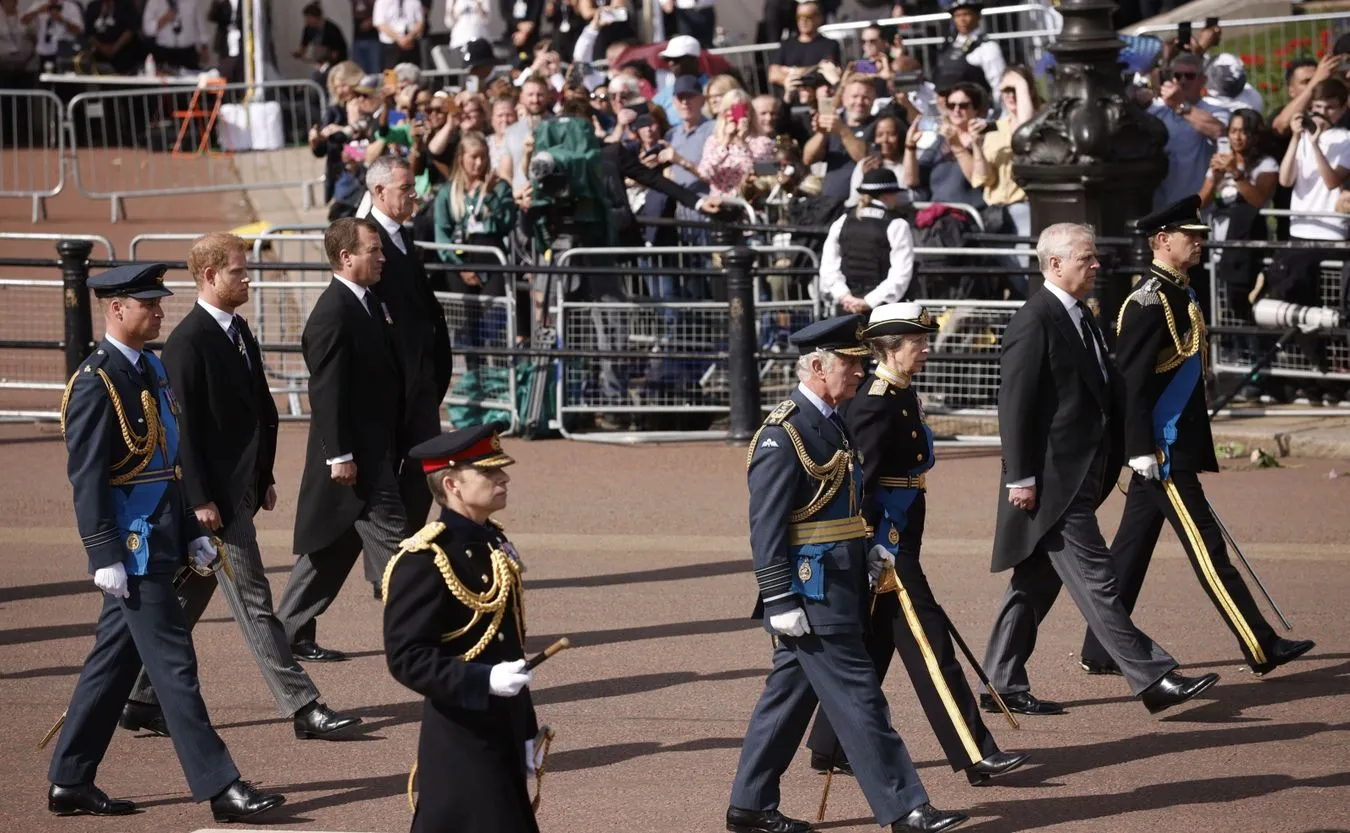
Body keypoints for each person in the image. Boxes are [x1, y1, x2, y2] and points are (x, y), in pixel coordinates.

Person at [47, 263, 285, 823]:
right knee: (176, 667)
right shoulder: (96, 381)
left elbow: (167, 462)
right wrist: (103, 553)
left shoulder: (150, 368)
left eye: (158, 303)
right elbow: (88, 478)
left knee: (112, 664)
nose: (159, 312)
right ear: (116, 309)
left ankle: (70, 778)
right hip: (131, 551)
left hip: (162, 537)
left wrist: (191, 531)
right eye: (148, 304)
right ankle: (221, 786)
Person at [117, 233, 363, 742]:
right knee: (255, 602)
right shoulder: (188, 342)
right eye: (237, 270)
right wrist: (200, 499)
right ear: (209, 276)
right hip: (216, 502)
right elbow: (182, 430)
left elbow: (256, 410)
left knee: (191, 593)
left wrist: (263, 476)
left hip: (240, 490)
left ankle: (140, 697)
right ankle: (303, 706)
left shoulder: (236, 329)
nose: (247, 277)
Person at [728, 314, 968, 833]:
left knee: (787, 700)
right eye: (850, 364)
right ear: (818, 367)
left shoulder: (832, 421)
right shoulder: (784, 433)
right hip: (811, 591)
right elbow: (766, 526)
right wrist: (778, 599)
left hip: (840, 580)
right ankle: (906, 807)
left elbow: (844, 505)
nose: (860, 372)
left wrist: (871, 549)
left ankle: (749, 804)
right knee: (862, 699)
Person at [980, 222, 1221, 718]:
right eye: (1086, 258)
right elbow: (1015, 405)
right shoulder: (1034, 319)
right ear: (1054, 264)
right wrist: (1020, 478)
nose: (1096, 265)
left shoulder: (1080, 314)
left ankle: (1001, 682)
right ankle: (1152, 677)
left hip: (1083, 472)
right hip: (1054, 481)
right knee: (1098, 579)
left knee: (1036, 581)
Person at [1077, 198, 1316, 678]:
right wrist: (1140, 449)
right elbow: (1132, 384)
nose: (1200, 242)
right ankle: (1261, 644)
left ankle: (1101, 649)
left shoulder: (1179, 292)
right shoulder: (1148, 302)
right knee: (1209, 551)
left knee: (1129, 552)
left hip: (1169, 445)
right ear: (1163, 240)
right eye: (1191, 235)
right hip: (1161, 451)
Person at [804, 303, 1030, 788]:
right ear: (889, 348)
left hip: (902, 533)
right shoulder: (874, 401)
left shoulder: (901, 392)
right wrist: (870, 545)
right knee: (932, 644)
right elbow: (859, 483)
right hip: (886, 544)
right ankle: (975, 751)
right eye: (917, 342)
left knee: (876, 643)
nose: (926, 349)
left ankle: (830, 744)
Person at [383, 424, 540, 833]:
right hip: (461, 735)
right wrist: (483, 680)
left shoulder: (493, 542)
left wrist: (525, 727)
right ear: (452, 484)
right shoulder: (425, 559)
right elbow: (407, 658)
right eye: (488, 472)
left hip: (502, 726)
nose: (503, 479)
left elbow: (509, 643)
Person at [277, 218, 408, 662]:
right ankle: (431, 636)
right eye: (374, 250)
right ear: (346, 257)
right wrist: (340, 455)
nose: (383, 257)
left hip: (374, 449)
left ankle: (288, 632)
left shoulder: (368, 301)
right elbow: (326, 391)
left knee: (331, 548)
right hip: (355, 459)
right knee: (401, 553)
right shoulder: (333, 312)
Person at [364, 157, 453, 543]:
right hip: (389, 379)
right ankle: (392, 552)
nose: (414, 196)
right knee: (383, 473)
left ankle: (406, 548)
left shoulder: (403, 235)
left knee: (424, 465)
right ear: (379, 192)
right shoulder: (363, 240)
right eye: (405, 189)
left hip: (420, 376)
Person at [1274, 78, 1350, 405]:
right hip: (1300, 232)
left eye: (1330, 108)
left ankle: (1336, 379)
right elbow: (1285, 179)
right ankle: (1315, 374)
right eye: (1317, 107)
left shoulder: (1345, 138)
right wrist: (1297, 137)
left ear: (1342, 109)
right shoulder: (1303, 137)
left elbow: (1332, 181)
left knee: (1331, 308)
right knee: (1298, 304)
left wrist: (1317, 143)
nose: (1322, 113)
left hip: (1330, 234)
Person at [819, 168, 915, 314]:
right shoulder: (897, 224)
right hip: (884, 312)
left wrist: (845, 297)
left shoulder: (843, 221)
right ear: (887, 195)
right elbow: (900, 274)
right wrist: (868, 302)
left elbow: (828, 268)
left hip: (847, 310)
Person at [1149, 52, 1228, 210]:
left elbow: (1218, 131)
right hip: (1160, 207)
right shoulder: (1157, 110)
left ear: (1203, 80)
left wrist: (1180, 104)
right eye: (1178, 76)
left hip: (1197, 208)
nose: (1183, 81)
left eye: (1189, 76)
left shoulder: (1215, 110)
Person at [904, 83, 986, 211]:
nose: (956, 110)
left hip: (969, 214)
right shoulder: (941, 141)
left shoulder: (984, 139)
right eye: (951, 105)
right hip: (936, 213)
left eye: (963, 106)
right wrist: (910, 146)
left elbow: (978, 179)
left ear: (976, 109)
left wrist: (957, 146)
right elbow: (911, 181)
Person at [699, 89, 775, 200]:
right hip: (722, 203)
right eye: (732, 109)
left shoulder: (763, 142)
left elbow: (768, 174)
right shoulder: (714, 141)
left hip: (751, 202)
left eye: (742, 109)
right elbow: (704, 173)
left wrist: (743, 145)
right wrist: (725, 144)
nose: (737, 115)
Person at [933, 0, 1004, 95]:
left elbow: (998, 84)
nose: (962, 19)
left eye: (966, 14)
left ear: (977, 16)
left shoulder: (987, 47)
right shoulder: (947, 46)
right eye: (957, 16)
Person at [141, 0, 208, 71]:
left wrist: (204, 46)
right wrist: (164, 19)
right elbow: (147, 30)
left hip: (188, 52)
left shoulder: (193, 1)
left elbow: (200, 25)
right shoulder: (155, 2)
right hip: (164, 52)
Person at [22, 0, 83, 68]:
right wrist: (37, 11)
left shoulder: (71, 7)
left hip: (65, 51)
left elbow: (78, 31)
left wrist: (61, 19)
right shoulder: (39, 4)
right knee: (44, 74)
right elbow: (23, 21)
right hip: (44, 51)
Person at [373, 0, 424, 69]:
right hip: (391, 44)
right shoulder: (382, 1)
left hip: (411, 42)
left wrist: (409, 37)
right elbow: (379, 23)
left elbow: (420, 21)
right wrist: (399, 39)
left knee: (413, 71)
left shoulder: (415, 1)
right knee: (391, 72)